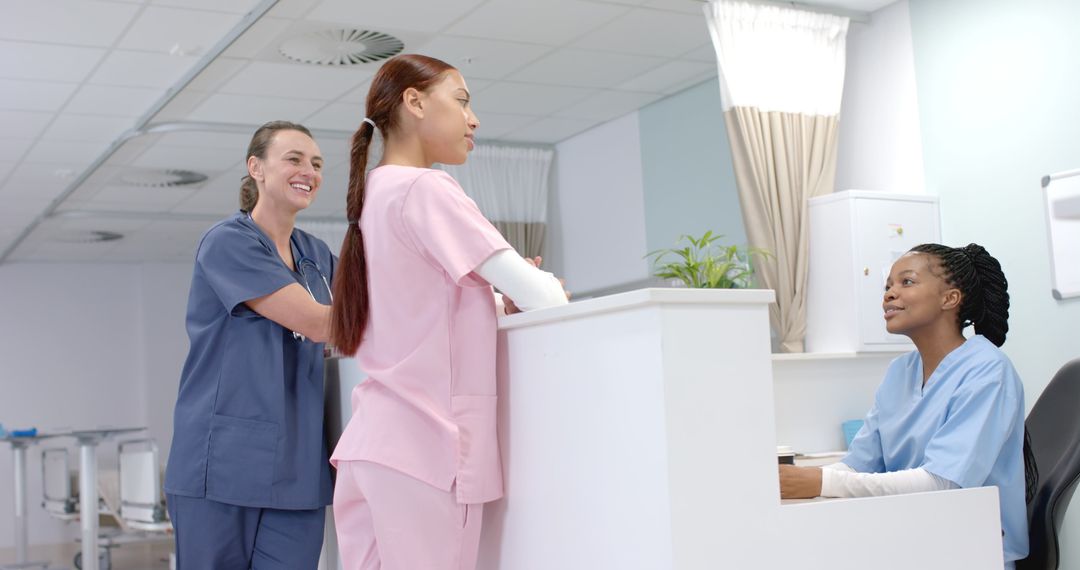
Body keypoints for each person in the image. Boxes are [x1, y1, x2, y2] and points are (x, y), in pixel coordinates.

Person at [329, 53, 569, 570]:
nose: (473, 118)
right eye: (461, 101)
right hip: (427, 453)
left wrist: (490, 301)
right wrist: (534, 284)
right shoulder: (426, 188)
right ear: (414, 103)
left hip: (369, 448)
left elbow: (419, 305)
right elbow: (546, 297)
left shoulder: (371, 195)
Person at [779, 243, 1030, 568]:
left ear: (950, 298)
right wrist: (800, 477)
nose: (889, 294)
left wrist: (821, 482)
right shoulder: (900, 372)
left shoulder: (989, 371)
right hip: (912, 536)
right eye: (887, 286)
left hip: (970, 550)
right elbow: (859, 465)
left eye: (906, 282)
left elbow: (944, 483)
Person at [164, 121, 336, 569]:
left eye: (316, 164)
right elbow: (320, 323)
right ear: (255, 167)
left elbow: (383, 300)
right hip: (221, 466)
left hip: (297, 470)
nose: (309, 171)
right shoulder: (228, 244)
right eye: (294, 159)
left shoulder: (316, 254)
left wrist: (488, 298)